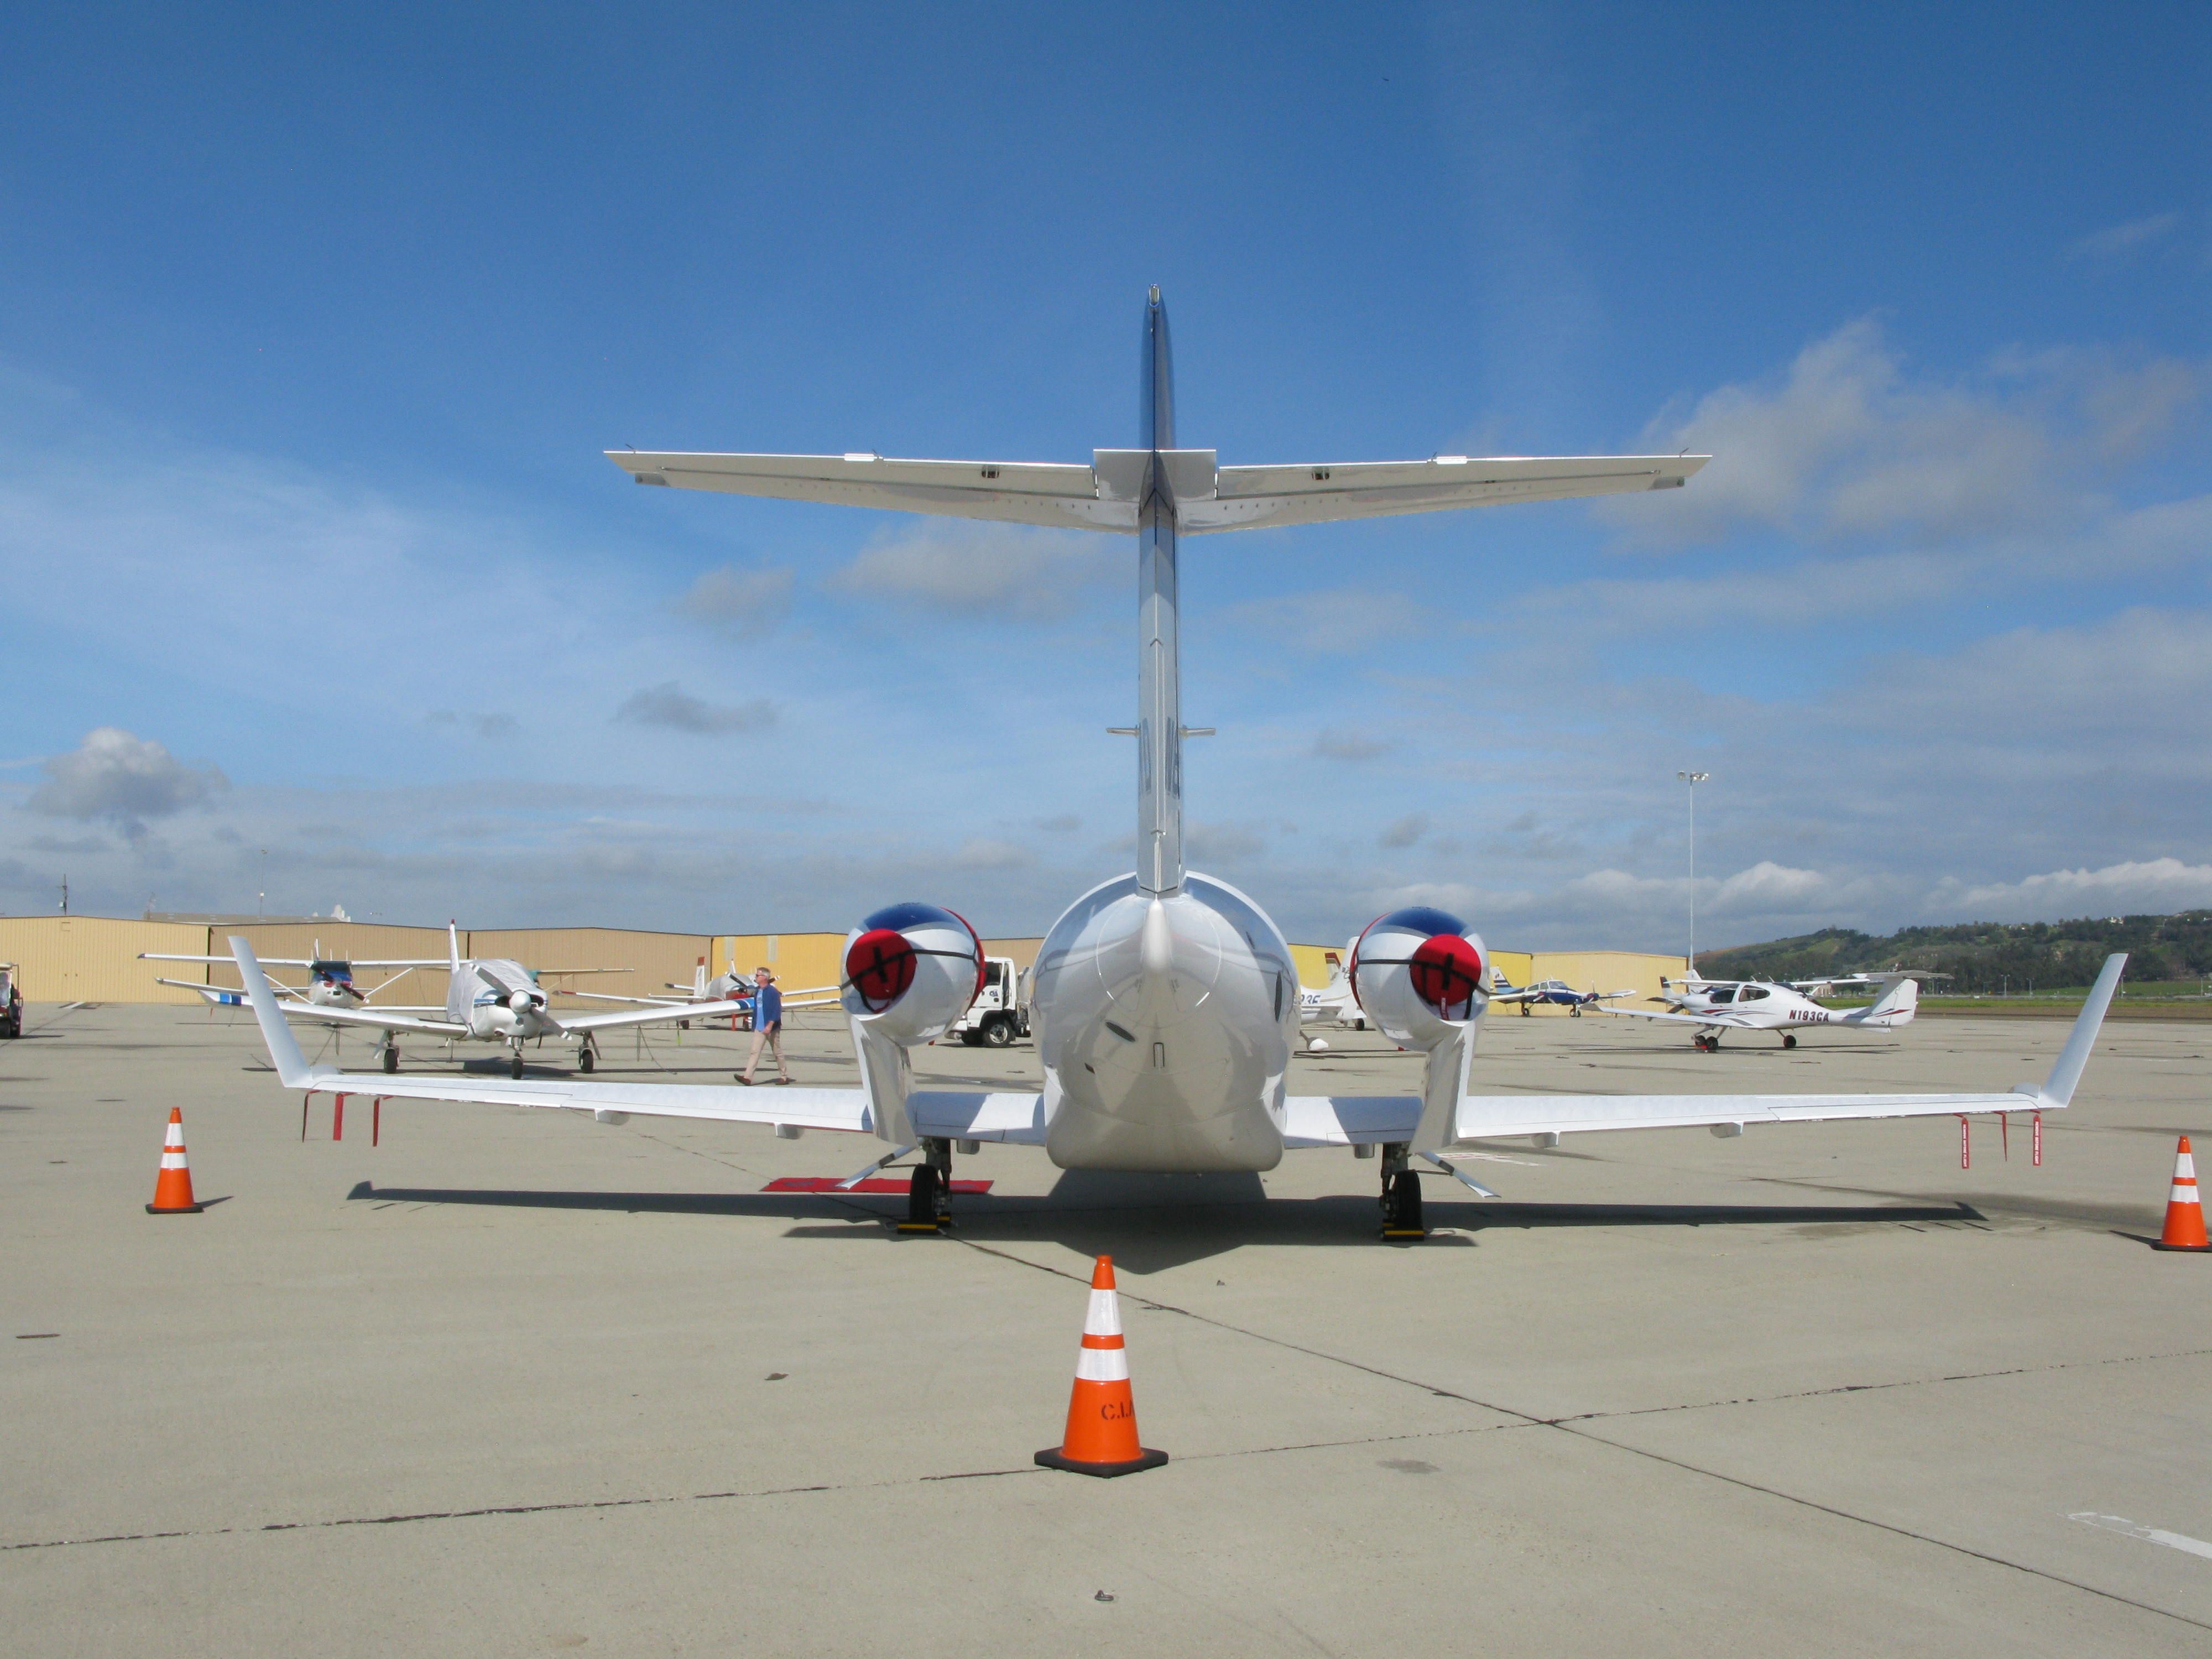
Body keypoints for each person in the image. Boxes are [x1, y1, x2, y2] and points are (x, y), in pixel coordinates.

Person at [738, 966, 790, 1085]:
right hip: (759, 1027)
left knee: (777, 1052)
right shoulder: (758, 992)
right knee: (754, 1052)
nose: (756, 977)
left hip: (772, 1028)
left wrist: (770, 1025)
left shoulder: (773, 992)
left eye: (758, 975)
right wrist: (755, 1025)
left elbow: (777, 1010)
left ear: (765, 978)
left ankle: (784, 1076)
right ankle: (748, 1077)